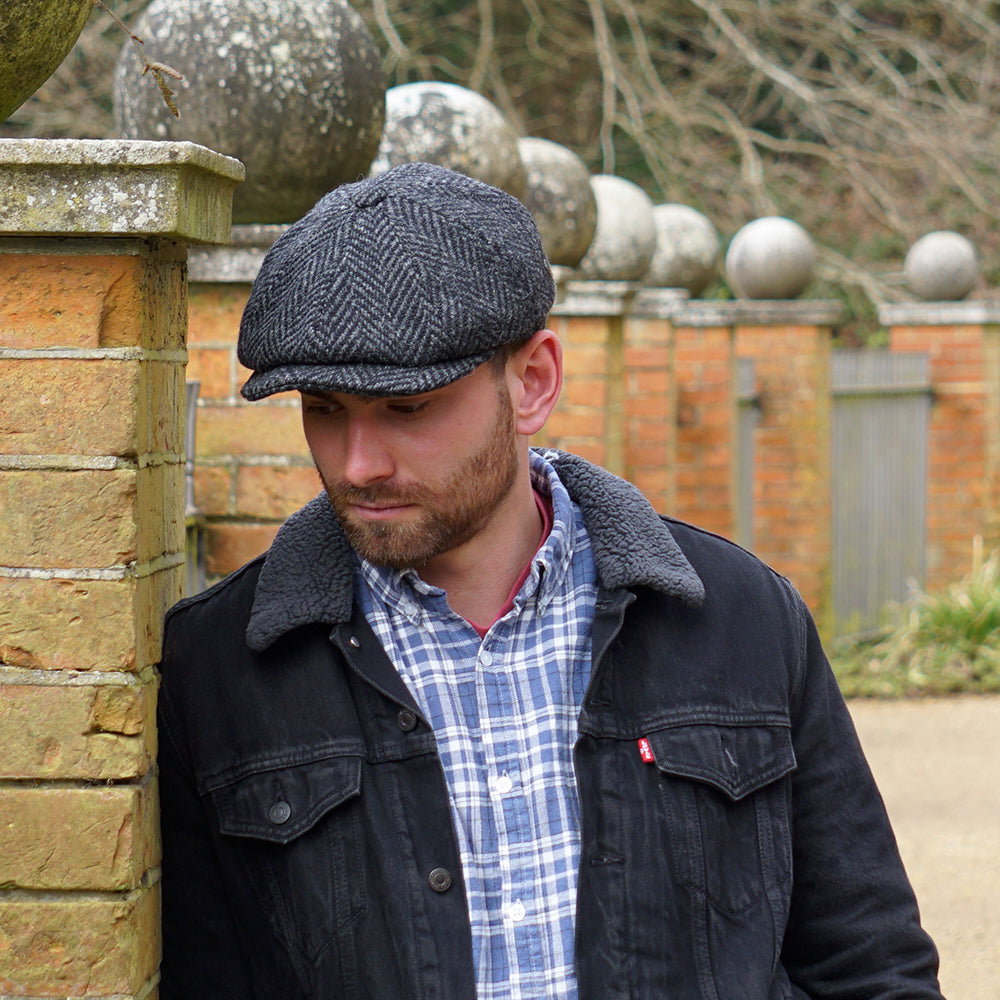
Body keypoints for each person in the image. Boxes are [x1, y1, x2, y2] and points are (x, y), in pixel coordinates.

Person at [158, 162, 943, 1000]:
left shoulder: (740, 617)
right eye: (324, 409)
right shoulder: (219, 669)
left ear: (532, 381)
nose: (357, 464)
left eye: (407, 408)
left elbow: (870, 965)